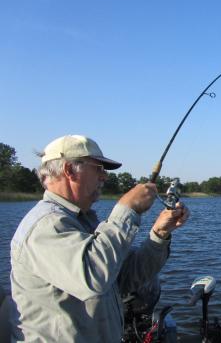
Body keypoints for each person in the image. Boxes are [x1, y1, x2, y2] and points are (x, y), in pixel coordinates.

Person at [9, 135, 190, 342]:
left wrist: (159, 234)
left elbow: (124, 279)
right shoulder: (45, 225)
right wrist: (127, 209)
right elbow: (93, 276)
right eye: (98, 168)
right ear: (69, 170)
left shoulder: (82, 221)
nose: (104, 176)